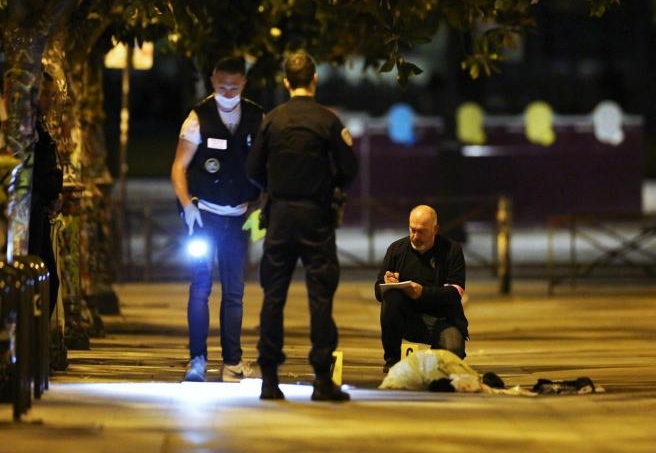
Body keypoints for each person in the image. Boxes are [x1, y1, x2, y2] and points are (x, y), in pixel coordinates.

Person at [246, 52, 357, 401]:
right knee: (320, 297)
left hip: (279, 216)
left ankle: (269, 379)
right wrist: (330, 185)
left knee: (273, 297)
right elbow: (349, 168)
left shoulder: (272, 121)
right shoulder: (327, 121)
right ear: (314, 80)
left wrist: (272, 184)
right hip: (316, 217)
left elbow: (252, 168)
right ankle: (322, 379)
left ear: (285, 82)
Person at [170, 57, 263, 382]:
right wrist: (187, 205)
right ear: (212, 81)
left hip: (238, 218)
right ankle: (197, 360)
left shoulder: (255, 117)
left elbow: (265, 166)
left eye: (234, 87)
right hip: (204, 218)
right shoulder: (198, 119)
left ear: (243, 84)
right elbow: (179, 167)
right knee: (200, 288)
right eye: (222, 86)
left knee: (235, 292)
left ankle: (232, 363)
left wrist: (261, 205)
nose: (227, 92)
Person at [375, 205, 468, 373]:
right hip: (408, 319)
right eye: (412, 230)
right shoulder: (396, 249)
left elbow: (455, 293)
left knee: (453, 351)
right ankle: (392, 359)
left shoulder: (452, 251)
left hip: (442, 319)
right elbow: (377, 291)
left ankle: (434, 357)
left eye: (422, 232)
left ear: (435, 229)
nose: (415, 236)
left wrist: (422, 293)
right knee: (391, 298)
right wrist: (388, 283)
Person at [29, 71, 63, 317]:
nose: (50, 100)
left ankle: (36, 342)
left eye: (52, 94)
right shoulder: (27, 125)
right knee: (43, 278)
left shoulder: (38, 123)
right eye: (46, 94)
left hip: (42, 207)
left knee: (48, 279)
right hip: (33, 209)